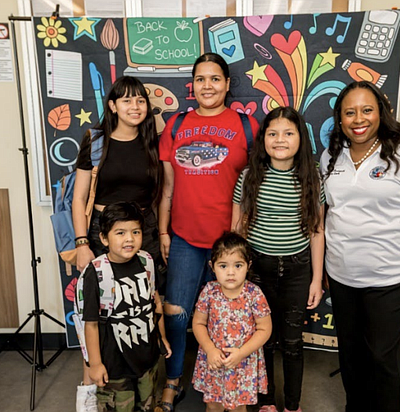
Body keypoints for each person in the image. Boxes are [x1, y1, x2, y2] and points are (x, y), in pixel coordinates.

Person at [320, 80, 400, 412]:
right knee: (350, 355)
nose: (359, 119)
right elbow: (328, 212)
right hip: (343, 276)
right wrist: (325, 270)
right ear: (340, 119)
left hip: (391, 276)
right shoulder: (331, 155)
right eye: (350, 112)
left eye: (367, 110)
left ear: (381, 113)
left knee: (380, 357)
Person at [156, 53, 260, 412]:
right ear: (192, 85)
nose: (208, 86)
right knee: (179, 314)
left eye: (215, 79)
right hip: (184, 236)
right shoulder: (176, 125)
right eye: (201, 79)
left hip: (229, 245)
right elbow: (167, 186)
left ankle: (229, 387)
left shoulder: (246, 127)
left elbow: (253, 187)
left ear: (228, 84)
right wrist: (164, 232)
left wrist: (240, 238)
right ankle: (172, 382)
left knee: (232, 319)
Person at [73, 76, 162, 412]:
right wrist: (84, 242)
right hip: (102, 231)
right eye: (126, 100)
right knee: (97, 315)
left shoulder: (152, 142)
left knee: (140, 309)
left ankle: (145, 393)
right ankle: (90, 394)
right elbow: (79, 197)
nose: (134, 107)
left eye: (140, 100)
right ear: (112, 106)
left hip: (143, 233)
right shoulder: (95, 141)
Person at [232, 107, 325, 412]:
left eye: (288, 133)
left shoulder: (311, 176)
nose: (280, 140)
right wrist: (239, 277)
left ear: (301, 138)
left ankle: (293, 404)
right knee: (263, 339)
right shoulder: (250, 176)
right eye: (272, 133)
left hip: (297, 270)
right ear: (263, 139)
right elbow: (239, 230)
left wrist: (315, 279)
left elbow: (316, 230)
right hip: (258, 269)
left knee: (293, 342)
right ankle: (266, 400)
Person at [81, 202, 171, 412]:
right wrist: (94, 364)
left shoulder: (146, 261)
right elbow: (91, 324)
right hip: (115, 365)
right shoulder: (96, 273)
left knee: (147, 405)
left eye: (135, 232)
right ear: (104, 238)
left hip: (146, 358)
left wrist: (162, 338)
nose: (129, 239)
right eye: (120, 233)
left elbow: (155, 304)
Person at [192, 232, 272, 412]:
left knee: (238, 407)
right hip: (214, 361)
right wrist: (210, 349)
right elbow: (198, 323)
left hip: (243, 362)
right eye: (223, 265)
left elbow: (265, 329)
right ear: (212, 266)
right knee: (213, 406)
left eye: (238, 265)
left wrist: (242, 353)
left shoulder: (254, 294)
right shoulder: (209, 292)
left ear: (248, 266)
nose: (230, 272)